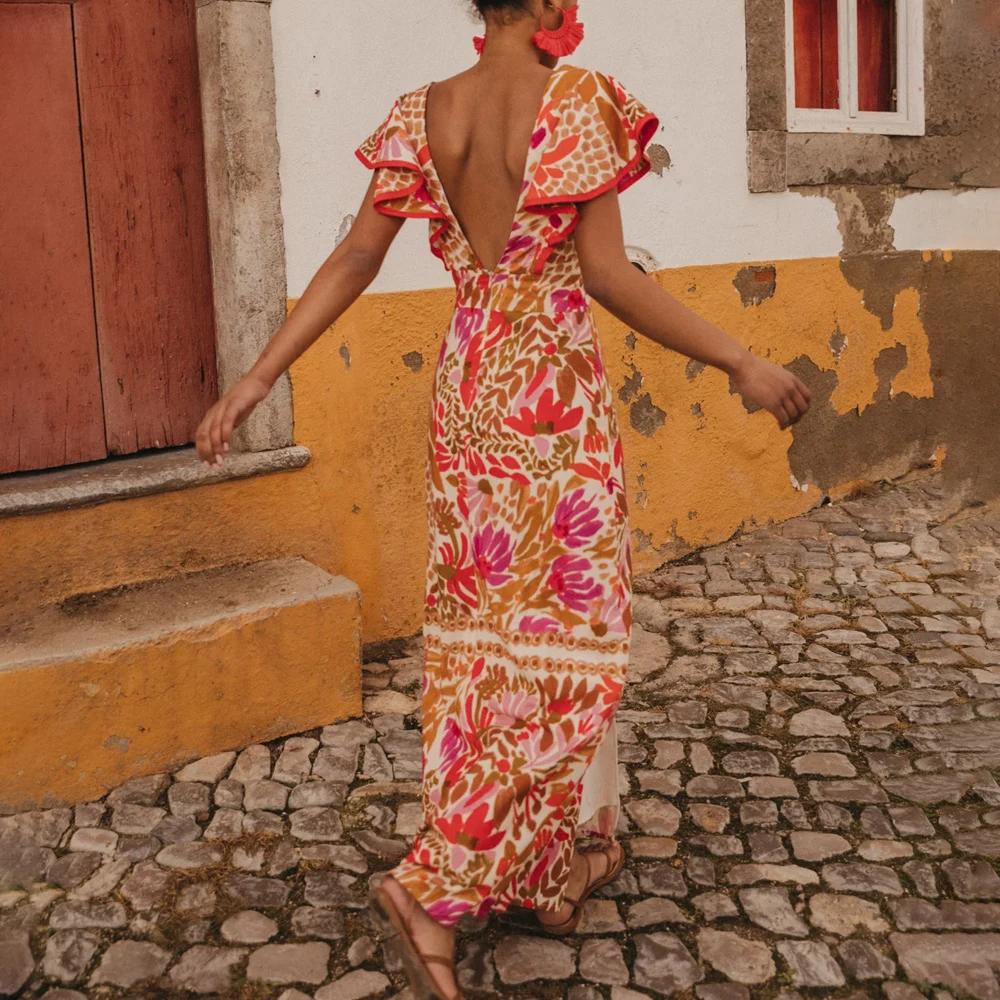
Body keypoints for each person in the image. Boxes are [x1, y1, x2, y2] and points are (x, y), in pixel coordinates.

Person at [195, 1, 811, 996]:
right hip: (549, 394)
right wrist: (737, 355)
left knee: (486, 641)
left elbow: (356, 258)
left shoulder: (421, 111)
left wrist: (259, 377)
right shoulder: (579, 101)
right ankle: (438, 881)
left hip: (470, 384)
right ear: (549, 5)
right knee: (572, 639)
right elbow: (606, 274)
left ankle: (547, 858)